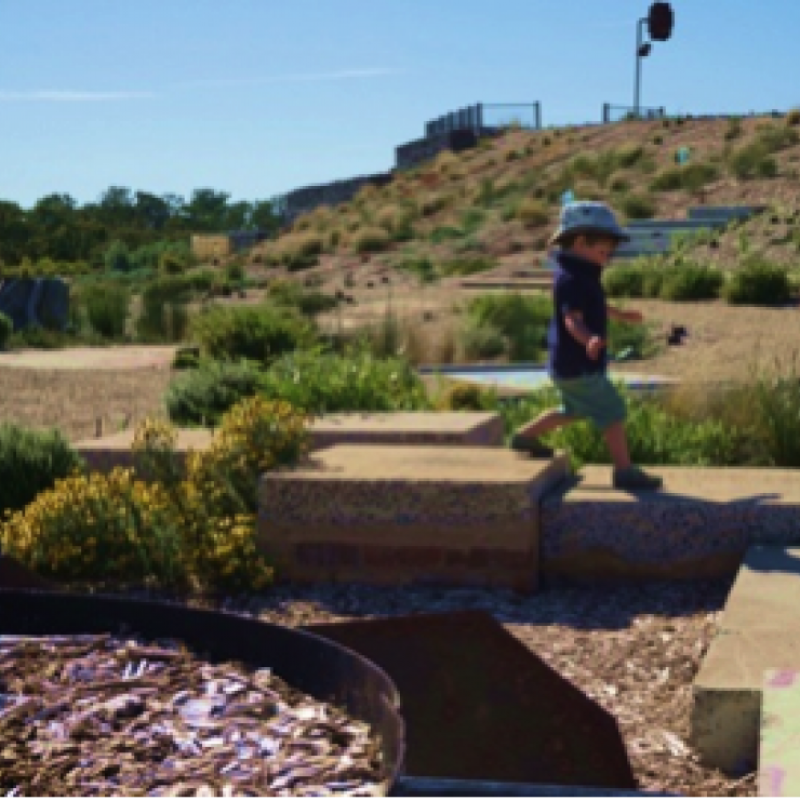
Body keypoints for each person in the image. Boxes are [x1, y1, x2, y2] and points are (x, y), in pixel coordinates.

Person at [510, 200, 662, 490]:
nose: (607, 258)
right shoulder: (572, 280)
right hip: (578, 363)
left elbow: (595, 306)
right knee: (613, 411)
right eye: (603, 251)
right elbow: (572, 320)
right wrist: (588, 339)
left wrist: (619, 315)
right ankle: (624, 471)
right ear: (580, 243)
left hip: (567, 364)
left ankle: (525, 436)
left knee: (573, 409)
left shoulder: (582, 276)